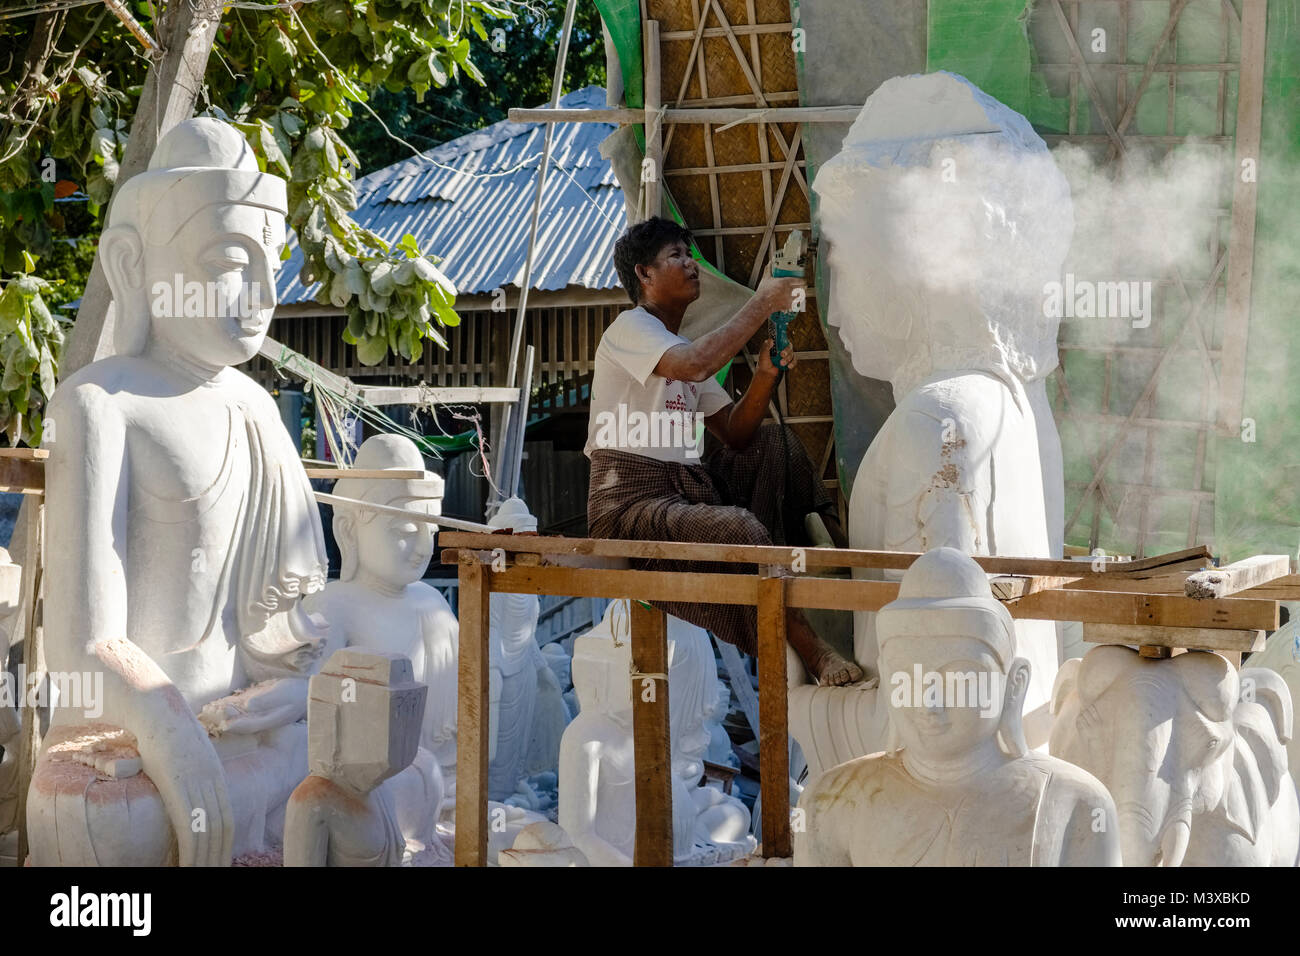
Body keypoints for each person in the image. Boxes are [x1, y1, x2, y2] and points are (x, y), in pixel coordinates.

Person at [584, 217, 861, 686]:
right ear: (644, 275)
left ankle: (844, 556)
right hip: (626, 504)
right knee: (736, 527)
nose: (690, 264)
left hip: (683, 493)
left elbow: (735, 433)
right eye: (676, 256)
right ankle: (816, 652)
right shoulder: (630, 329)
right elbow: (694, 367)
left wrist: (767, 373)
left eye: (689, 255)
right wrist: (764, 301)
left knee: (775, 443)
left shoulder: (679, 347)